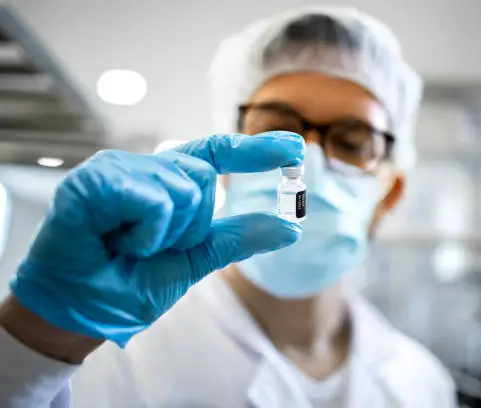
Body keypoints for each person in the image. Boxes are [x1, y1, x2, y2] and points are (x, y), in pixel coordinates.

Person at [0, 6, 457, 408]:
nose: (309, 161)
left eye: (352, 140)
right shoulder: (110, 353)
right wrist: (32, 344)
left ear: (389, 194)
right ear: (227, 165)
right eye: (278, 129)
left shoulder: (421, 385)